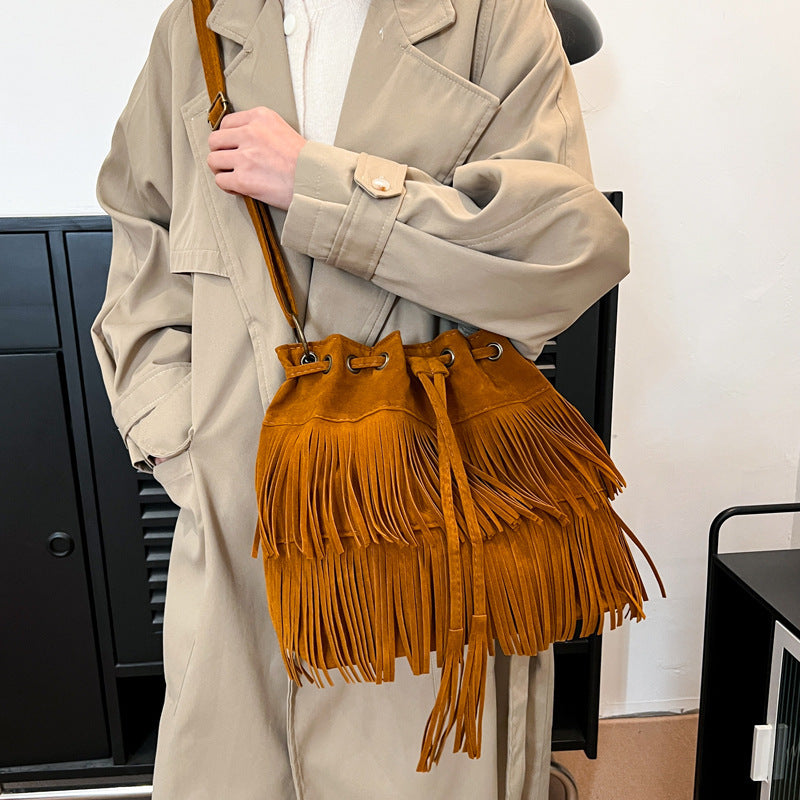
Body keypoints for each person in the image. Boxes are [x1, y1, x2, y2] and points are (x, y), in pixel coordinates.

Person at [92, 0, 629, 797]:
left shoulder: (494, 17)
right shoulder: (198, 23)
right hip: (243, 523)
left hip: (431, 515)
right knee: (236, 766)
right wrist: (179, 437)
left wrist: (318, 184)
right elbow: (144, 233)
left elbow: (562, 253)